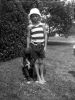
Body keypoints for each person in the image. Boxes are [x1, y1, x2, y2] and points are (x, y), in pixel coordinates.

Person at [27, 8, 48, 84]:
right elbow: (28, 37)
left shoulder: (42, 25)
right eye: (33, 16)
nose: (35, 17)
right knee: (36, 62)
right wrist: (28, 47)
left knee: (41, 62)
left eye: (36, 16)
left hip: (41, 46)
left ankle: (42, 76)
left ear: (39, 17)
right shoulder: (30, 26)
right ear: (30, 17)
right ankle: (38, 77)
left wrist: (45, 46)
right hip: (33, 47)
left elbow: (45, 35)